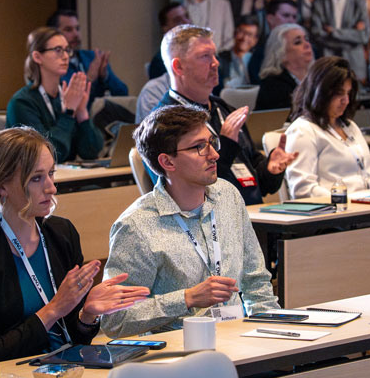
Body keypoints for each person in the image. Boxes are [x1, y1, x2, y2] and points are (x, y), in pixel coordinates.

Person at [0, 128, 148, 371]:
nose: (51, 188)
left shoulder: (61, 234)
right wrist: (53, 309)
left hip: (51, 373)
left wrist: (87, 315)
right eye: (36, 178)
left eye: (51, 174)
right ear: (2, 186)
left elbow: (72, 339)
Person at [101, 106, 280, 337]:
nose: (214, 155)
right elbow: (115, 320)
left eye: (211, 142)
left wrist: (273, 332)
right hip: (178, 350)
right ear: (168, 162)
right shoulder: (136, 227)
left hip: (238, 340)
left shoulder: (228, 196)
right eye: (199, 147)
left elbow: (256, 281)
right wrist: (186, 298)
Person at [153, 25, 296, 205]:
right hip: (211, 220)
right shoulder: (163, 123)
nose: (215, 63)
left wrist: (271, 169)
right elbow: (190, 195)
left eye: (215, 55)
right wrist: (226, 144)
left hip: (253, 214)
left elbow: (260, 184)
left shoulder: (223, 109)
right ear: (178, 66)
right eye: (205, 56)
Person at [284, 58, 370, 198]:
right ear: (320, 92)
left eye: (348, 93)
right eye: (339, 93)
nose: (346, 100)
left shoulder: (349, 126)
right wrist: (344, 201)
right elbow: (303, 189)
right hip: (337, 208)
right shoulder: (303, 130)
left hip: (367, 204)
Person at [7, 27, 104, 162]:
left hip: (66, 173)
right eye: (58, 50)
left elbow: (91, 152)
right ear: (37, 57)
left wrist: (82, 114)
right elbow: (47, 156)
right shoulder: (21, 102)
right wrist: (68, 113)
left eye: (67, 50)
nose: (65, 56)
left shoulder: (66, 96)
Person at [48, 9, 129, 102]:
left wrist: (106, 76)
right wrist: (89, 79)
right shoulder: (52, 64)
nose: (76, 34)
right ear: (54, 34)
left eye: (77, 29)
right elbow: (64, 102)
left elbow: (124, 93)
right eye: (68, 30)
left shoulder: (92, 57)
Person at [309, 0, 370, 81]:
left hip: (354, 65)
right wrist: (351, 36)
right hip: (328, 63)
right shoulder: (319, 2)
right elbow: (316, 34)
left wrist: (334, 32)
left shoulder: (359, 2)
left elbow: (364, 36)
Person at [254, 24, 313, 111]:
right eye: (298, 42)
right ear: (281, 54)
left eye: (306, 39)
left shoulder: (318, 78)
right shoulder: (273, 87)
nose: (307, 44)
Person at [247, 0, 301, 82]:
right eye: (286, 15)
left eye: (294, 17)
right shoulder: (260, 51)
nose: (291, 21)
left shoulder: (307, 48)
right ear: (270, 18)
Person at [147, 1, 190, 79]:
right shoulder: (160, 62)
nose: (186, 22)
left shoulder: (205, 52)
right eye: (178, 20)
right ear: (165, 28)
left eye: (187, 16)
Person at [218, 16, 259, 88]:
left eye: (250, 35)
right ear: (234, 33)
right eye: (242, 32)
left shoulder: (258, 63)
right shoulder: (220, 60)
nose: (244, 38)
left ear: (255, 40)